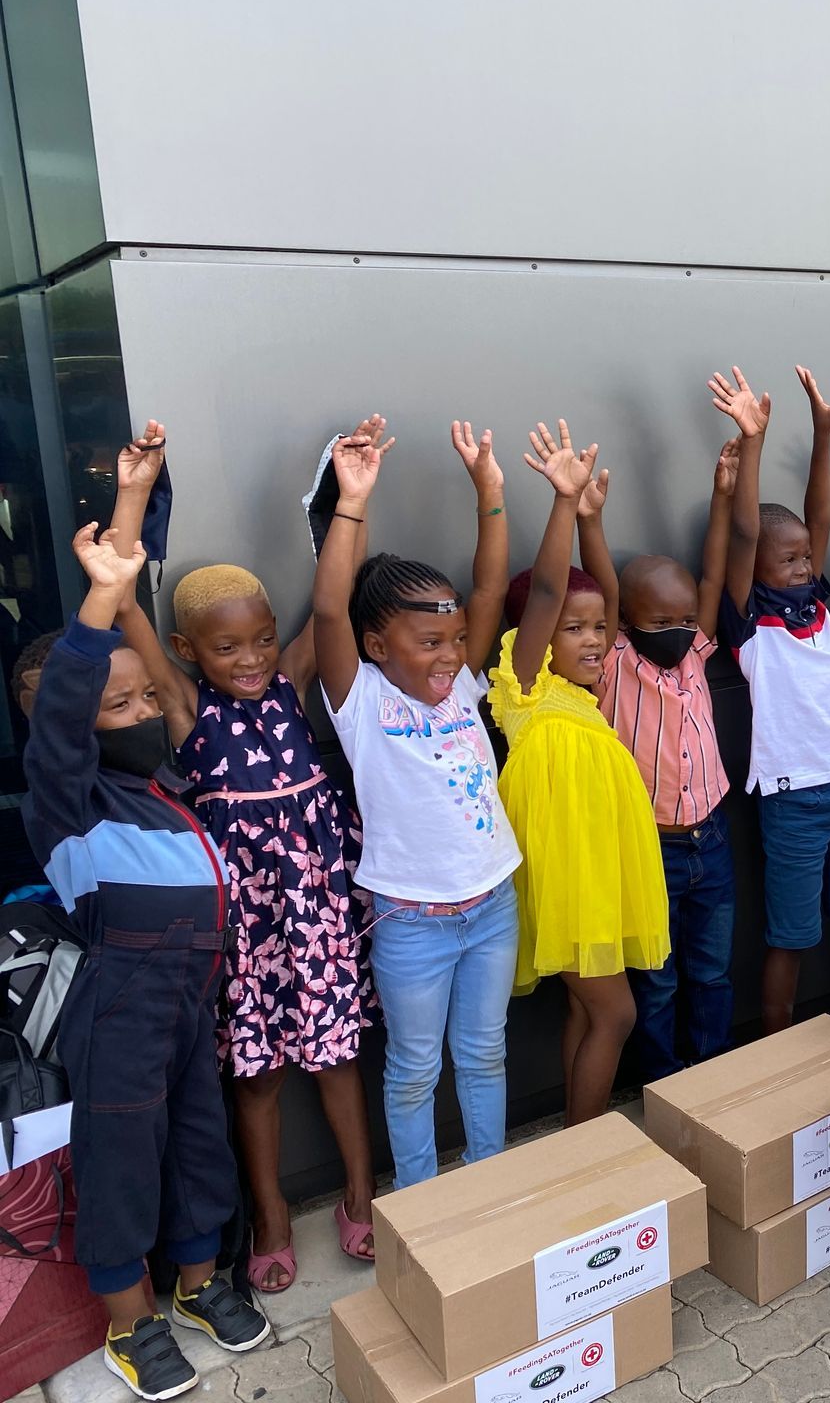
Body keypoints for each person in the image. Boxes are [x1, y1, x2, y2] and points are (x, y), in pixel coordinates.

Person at [102, 420, 377, 1294]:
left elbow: (328, 600)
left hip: (321, 914)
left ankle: (362, 1200)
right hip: (247, 934)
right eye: (228, 648)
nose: (253, 657)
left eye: (260, 638)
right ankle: (268, 1216)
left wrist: (352, 500)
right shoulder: (186, 709)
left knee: (336, 1063)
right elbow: (127, 602)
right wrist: (134, 495)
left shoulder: (294, 682)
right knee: (255, 1083)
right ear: (189, 655)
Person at [26, 523, 271, 1401]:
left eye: (142, 702)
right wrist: (103, 600)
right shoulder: (70, 804)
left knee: (201, 1144)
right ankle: (132, 1322)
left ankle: (201, 1282)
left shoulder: (159, 790)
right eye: (116, 705)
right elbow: (63, 713)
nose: (141, 716)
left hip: (188, 1002)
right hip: (119, 1005)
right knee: (122, 1158)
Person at [313, 420, 522, 1188]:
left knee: (486, 1053)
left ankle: (489, 1188)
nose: (450, 656)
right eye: (428, 643)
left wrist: (490, 489)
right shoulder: (360, 702)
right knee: (410, 1072)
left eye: (456, 639)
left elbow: (492, 588)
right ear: (377, 647)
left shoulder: (464, 688)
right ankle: (420, 1207)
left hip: (493, 903)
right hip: (411, 922)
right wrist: (353, 501)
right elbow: (331, 612)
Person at [489, 421, 670, 1123]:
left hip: (595, 867)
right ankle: (588, 1143)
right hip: (569, 872)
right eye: (576, 628)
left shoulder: (584, 693)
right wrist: (564, 503)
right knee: (615, 1014)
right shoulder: (524, 679)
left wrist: (593, 517)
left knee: (589, 1011)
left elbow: (612, 602)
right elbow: (543, 597)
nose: (595, 639)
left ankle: (575, 1131)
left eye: (598, 629)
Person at [709, 365, 830, 1033]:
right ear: (757, 573)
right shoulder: (753, 625)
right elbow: (747, 534)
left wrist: (823, 435)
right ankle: (777, 1050)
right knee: (790, 935)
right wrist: (753, 441)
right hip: (795, 797)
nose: (805, 567)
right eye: (791, 561)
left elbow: (821, 516)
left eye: (808, 558)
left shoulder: (816, 607)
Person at [586, 437, 741, 1081]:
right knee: (657, 981)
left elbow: (710, 578)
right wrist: (587, 519)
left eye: (685, 617)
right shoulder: (617, 664)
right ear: (629, 622)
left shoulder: (696, 656)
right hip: (652, 850)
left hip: (714, 836)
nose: (678, 627)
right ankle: (663, 1083)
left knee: (712, 970)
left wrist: (722, 497)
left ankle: (709, 1070)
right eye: (661, 619)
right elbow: (604, 591)